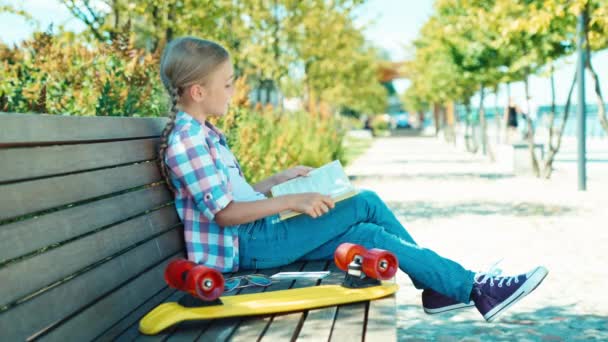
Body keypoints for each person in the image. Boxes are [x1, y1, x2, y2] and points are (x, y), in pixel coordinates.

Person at [157, 36, 548, 322]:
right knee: (367, 220)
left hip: (257, 232)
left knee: (368, 214)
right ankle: (464, 288)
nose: (232, 90)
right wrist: (293, 200)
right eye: (226, 84)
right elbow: (224, 215)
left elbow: (229, 195)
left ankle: (443, 286)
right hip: (245, 245)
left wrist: (277, 180)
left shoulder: (204, 133)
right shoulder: (188, 141)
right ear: (197, 90)